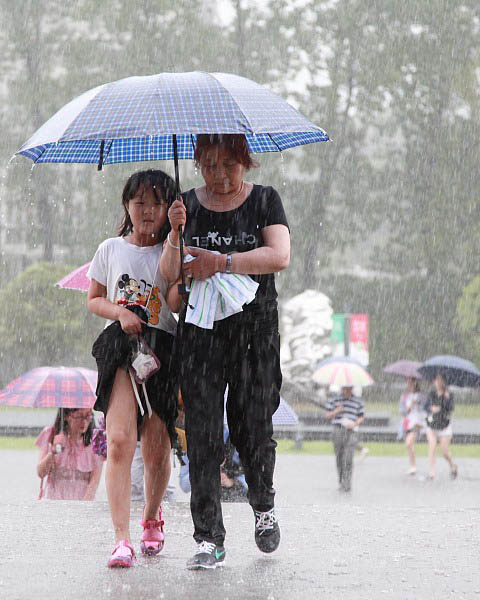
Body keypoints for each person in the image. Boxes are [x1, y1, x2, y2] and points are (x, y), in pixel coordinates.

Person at [159, 133, 289, 569]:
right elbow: (167, 276)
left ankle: (263, 505)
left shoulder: (265, 200)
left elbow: (279, 255)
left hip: (255, 329)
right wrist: (176, 233)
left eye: (228, 165)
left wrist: (223, 262)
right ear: (197, 164)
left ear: (246, 162)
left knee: (252, 424)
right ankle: (208, 537)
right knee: (202, 431)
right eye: (209, 165)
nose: (218, 175)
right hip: (201, 329)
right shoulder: (185, 206)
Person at [88, 169, 183, 568]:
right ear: (127, 204)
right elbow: (94, 299)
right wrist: (119, 312)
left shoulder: (173, 249)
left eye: (157, 203)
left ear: (169, 209)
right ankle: (120, 538)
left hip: (161, 351)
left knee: (157, 443)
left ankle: (151, 519)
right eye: (140, 201)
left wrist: (177, 236)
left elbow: (176, 304)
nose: (147, 210)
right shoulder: (110, 249)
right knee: (122, 440)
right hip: (121, 347)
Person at [35, 408, 103, 500]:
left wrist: (84, 507)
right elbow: (41, 473)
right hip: (54, 502)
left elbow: (94, 483)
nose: (84, 422)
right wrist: (53, 452)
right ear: (67, 416)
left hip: (82, 503)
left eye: (88, 416)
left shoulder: (95, 440)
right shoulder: (51, 434)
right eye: (79, 416)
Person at [325, 385, 364, 492]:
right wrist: (336, 411)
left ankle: (347, 484)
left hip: (351, 432)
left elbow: (361, 417)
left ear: (352, 388)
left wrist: (355, 423)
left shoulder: (358, 401)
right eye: (344, 388)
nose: (346, 390)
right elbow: (327, 416)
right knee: (339, 457)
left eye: (349, 388)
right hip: (337, 430)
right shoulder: (334, 399)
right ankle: (341, 481)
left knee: (348, 458)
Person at [425, 373, 457, 480]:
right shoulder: (431, 394)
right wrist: (431, 408)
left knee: (444, 452)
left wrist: (447, 400)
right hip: (432, 425)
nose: (437, 383)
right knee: (432, 447)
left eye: (440, 380)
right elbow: (425, 406)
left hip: (444, 425)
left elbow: (451, 409)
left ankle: (452, 465)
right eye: (436, 380)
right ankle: (432, 472)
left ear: (443, 382)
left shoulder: (449, 394)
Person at [400, 377, 425, 476]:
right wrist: (409, 407)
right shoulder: (405, 396)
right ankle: (412, 465)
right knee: (409, 445)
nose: (409, 384)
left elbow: (425, 408)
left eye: (411, 382)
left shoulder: (421, 395)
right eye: (408, 382)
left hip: (417, 422)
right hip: (408, 422)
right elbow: (403, 411)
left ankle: (413, 466)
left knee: (409, 443)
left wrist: (417, 403)